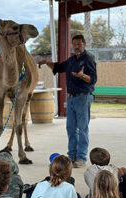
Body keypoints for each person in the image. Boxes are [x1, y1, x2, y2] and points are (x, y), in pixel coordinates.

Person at [39, 34, 97, 168]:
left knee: (82, 129)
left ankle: (81, 158)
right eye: (74, 44)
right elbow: (58, 67)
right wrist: (48, 63)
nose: (76, 47)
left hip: (83, 97)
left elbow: (93, 79)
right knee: (71, 128)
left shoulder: (89, 59)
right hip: (71, 98)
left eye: (79, 44)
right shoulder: (71, 60)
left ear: (84, 45)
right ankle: (71, 157)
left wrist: (83, 76)